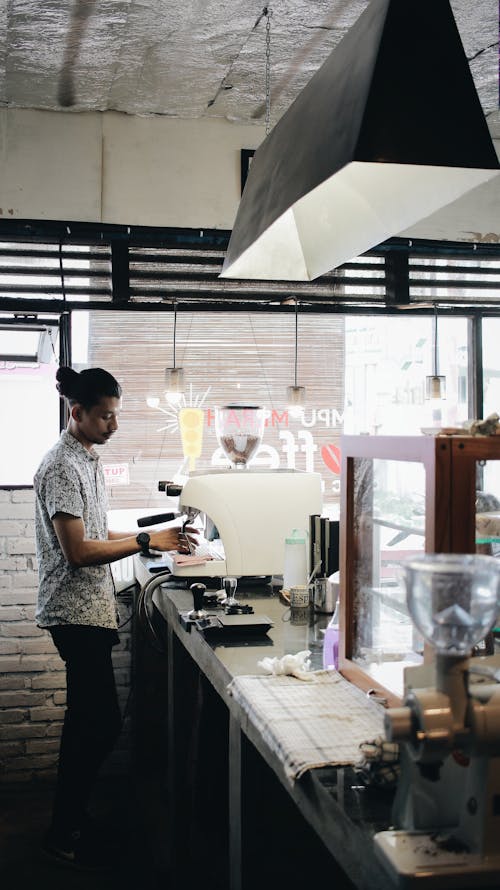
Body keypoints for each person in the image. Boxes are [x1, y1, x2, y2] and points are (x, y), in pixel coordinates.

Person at [34, 365, 193, 868]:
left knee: (90, 722)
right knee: (97, 724)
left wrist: (158, 532)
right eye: (105, 416)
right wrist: (149, 540)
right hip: (73, 610)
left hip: (90, 610)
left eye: (115, 415)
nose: (114, 425)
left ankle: (73, 822)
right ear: (76, 412)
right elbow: (78, 552)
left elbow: (98, 531)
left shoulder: (86, 458)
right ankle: (65, 830)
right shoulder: (62, 466)